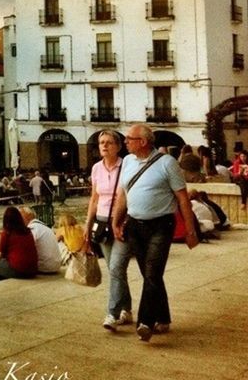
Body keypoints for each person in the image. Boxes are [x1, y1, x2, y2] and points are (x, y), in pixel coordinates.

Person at [112, 124, 198, 342]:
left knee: (151, 273)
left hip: (161, 225)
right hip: (135, 226)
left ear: (143, 142)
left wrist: (190, 230)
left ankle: (145, 322)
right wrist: (116, 221)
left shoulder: (167, 163)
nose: (125, 142)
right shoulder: (129, 162)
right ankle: (163, 317)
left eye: (129, 138)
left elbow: (182, 198)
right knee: (151, 275)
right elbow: (123, 194)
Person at [83, 129, 133, 331]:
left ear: (118, 146)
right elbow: (94, 199)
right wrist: (87, 225)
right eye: (101, 142)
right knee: (116, 270)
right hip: (102, 222)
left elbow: (127, 196)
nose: (104, 146)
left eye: (109, 142)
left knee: (117, 268)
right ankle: (127, 310)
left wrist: (121, 220)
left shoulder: (127, 166)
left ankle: (112, 313)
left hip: (121, 222)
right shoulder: (96, 168)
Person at [0, 206, 37, 284]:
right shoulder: (28, 232)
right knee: (1, 264)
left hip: (20, 271)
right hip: (32, 271)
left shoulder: (7, 233)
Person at [19, 206, 61, 274]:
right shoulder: (45, 227)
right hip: (56, 265)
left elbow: (24, 250)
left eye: (20, 216)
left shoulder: (32, 228)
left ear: (29, 216)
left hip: (45, 267)